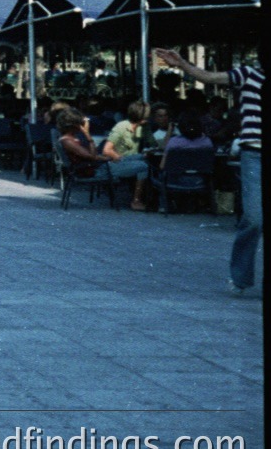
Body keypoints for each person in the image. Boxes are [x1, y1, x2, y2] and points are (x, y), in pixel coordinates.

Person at [154, 49, 262, 296]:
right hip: (255, 153)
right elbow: (209, 78)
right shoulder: (249, 74)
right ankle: (241, 276)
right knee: (255, 218)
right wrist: (182, 64)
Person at [103, 100, 153, 210]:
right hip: (115, 164)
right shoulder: (121, 126)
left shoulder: (142, 127)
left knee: (144, 159)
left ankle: (150, 197)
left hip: (130, 159)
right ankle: (136, 201)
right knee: (143, 166)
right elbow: (107, 150)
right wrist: (121, 159)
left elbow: (152, 143)